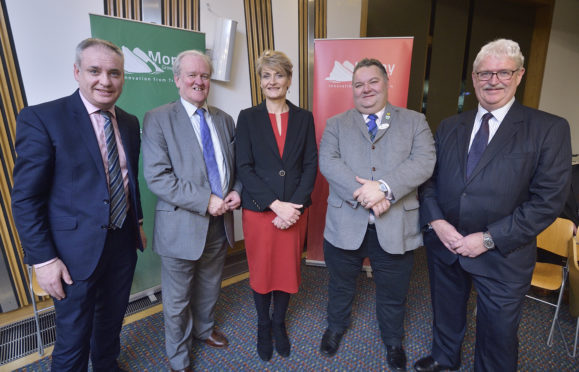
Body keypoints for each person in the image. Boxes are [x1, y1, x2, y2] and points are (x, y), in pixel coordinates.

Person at [415, 39, 572, 372]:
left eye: (503, 72)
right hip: (446, 245)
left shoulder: (548, 129)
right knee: (446, 311)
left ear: (519, 75)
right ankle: (444, 358)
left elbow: (547, 202)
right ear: (473, 78)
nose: (493, 80)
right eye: (484, 73)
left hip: (503, 255)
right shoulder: (449, 126)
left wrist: (486, 239)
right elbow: (428, 182)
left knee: (498, 334)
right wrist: (438, 225)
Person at [11, 38, 146, 371]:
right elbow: (26, 197)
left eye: (114, 73)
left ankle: (104, 365)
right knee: (73, 337)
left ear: (123, 77)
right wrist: (43, 260)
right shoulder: (43, 118)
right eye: (95, 71)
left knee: (111, 321)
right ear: (77, 72)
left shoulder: (128, 122)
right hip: (71, 254)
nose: (105, 81)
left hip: (121, 242)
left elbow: (127, 179)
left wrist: (137, 223)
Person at [318, 58, 436, 371]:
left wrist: (383, 188)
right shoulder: (336, 124)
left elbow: (424, 162)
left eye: (373, 82)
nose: (366, 89)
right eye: (358, 84)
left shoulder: (414, 121)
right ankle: (336, 327)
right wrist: (366, 195)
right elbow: (329, 163)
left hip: (395, 225)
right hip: (345, 224)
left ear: (386, 84)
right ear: (352, 89)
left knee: (393, 293)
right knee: (341, 286)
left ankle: (393, 341)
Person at [142, 50, 241, 372]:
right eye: (192, 75)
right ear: (177, 79)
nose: (199, 81)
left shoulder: (224, 119)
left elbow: (237, 167)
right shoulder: (158, 118)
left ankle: (203, 329)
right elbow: (158, 176)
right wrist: (205, 200)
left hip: (220, 222)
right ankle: (179, 357)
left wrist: (237, 191)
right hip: (180, 226)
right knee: (176, 299)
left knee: (211, 284)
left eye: (205, 76)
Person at [235, 50, 318, 361]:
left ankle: (279, 324)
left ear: (289, 79)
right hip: (260, 211)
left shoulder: (304, 117)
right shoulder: (247, 117)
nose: (272, 81)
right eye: (266, 76)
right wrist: (274, 205)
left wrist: (292, 205)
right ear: (260, 82)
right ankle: (262, 324)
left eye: (278, 75)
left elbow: (310, 164)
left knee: (286, 269)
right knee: (261, 270)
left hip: (295, 211)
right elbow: (244, 166)